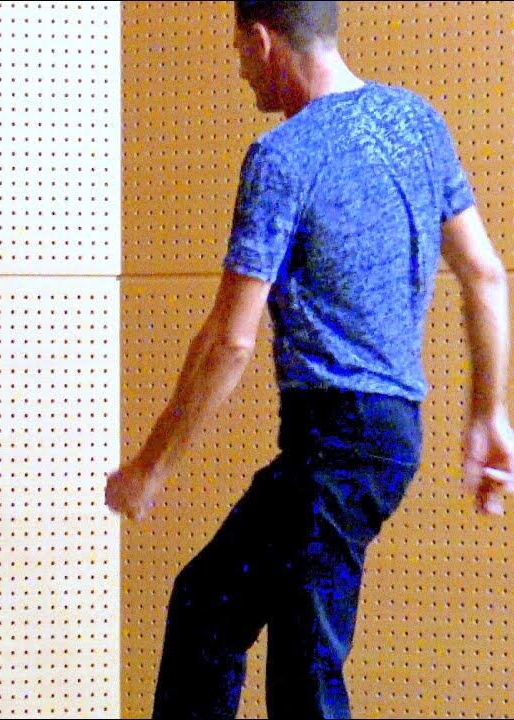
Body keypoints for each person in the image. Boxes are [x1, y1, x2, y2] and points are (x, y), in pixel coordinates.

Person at [104, 1, 513, 717]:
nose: (241, 70)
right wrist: (489, 414)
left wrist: (151, 469)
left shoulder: (282, 156)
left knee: (302, 670)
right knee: (211, 609)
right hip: (387, 436)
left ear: (262, 41)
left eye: (239, 51)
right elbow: (483, 273)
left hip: (335, 442)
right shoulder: (416, 123)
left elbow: (230, 341)